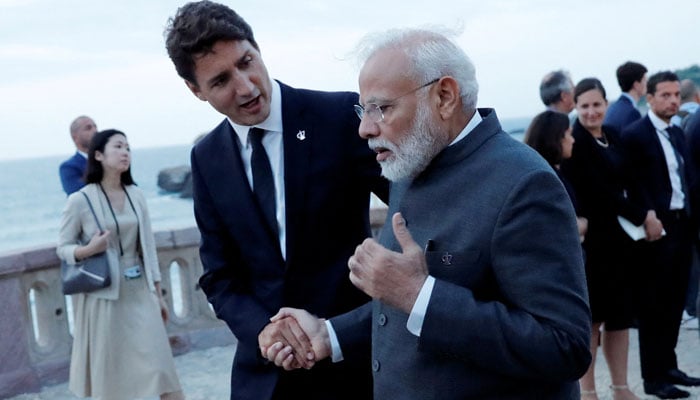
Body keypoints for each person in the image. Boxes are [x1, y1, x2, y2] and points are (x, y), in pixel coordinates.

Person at [267, 27, 592, 399]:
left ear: (445, 96)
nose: (364, 128)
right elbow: (404, 305)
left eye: (382, 108)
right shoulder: (412, 161)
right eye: (363, 109)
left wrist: (418, 293)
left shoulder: (525, 183)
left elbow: (565, 346)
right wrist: (331, 334)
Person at [163, 2, 388, 399]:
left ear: (258, 48)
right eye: (221, 81)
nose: (246, 86)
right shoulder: (207, 157)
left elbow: (417, 205)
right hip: (264, 378)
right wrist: (263, 332)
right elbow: (219, 276)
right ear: (195, 90)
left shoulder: (338, 116)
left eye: (247, 62)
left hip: (354, 365)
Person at [56, 129, 184, 400]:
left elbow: (148, 246)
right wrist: (89, 249)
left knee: (160, 367)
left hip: (140, 292)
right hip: (105, 297)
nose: (126, 152)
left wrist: (158, 292)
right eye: (118, 146)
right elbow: (63, 248)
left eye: (128, 147)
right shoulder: (81, 200)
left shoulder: (136, 194)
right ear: (99, 155)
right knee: (114, 377)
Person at [560, 78, 649, 400]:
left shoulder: (613, 136)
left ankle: (621, 387)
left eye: (597, 104)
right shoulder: (577, 142)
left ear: (606, 104)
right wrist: (642, 215)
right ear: (576, 107)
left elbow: (629, 182)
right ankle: (588, 392)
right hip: (593, 244)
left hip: (621, 241)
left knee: (620, 318)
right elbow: (600, 194)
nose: (591, 111)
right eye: (584, 105)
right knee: (593, 321)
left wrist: (643, 212)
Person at [620, 71, 700, 399]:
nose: (672, 101)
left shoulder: (678, 133)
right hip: (656, 230)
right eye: (664, 95)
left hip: (684, 225)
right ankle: (653, 378)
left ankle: (669, 366)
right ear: (649, 97)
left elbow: (686, 180)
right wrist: (647, 217)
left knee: (676, 301)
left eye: (676, 95)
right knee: (654, 305)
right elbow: (630, 185)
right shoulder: (635, 135)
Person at [523, 110, 588, 241]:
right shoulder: (546, 179)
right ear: (556, 138)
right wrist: (582, 224)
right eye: (569, 134)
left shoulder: (549, 171)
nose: (573, 140)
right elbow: (562, 225)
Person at [604, 61, 647, 133]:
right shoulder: (632, 113)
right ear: (636, 85)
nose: (647, 84)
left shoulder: (612, 108)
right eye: (645, 81)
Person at [59, 115, 97, 195]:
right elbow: (78, 194)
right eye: (88, 128)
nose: (95, 131)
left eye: (95, 127)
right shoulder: (68, 167)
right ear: (75, 137)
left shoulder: (107, 160)